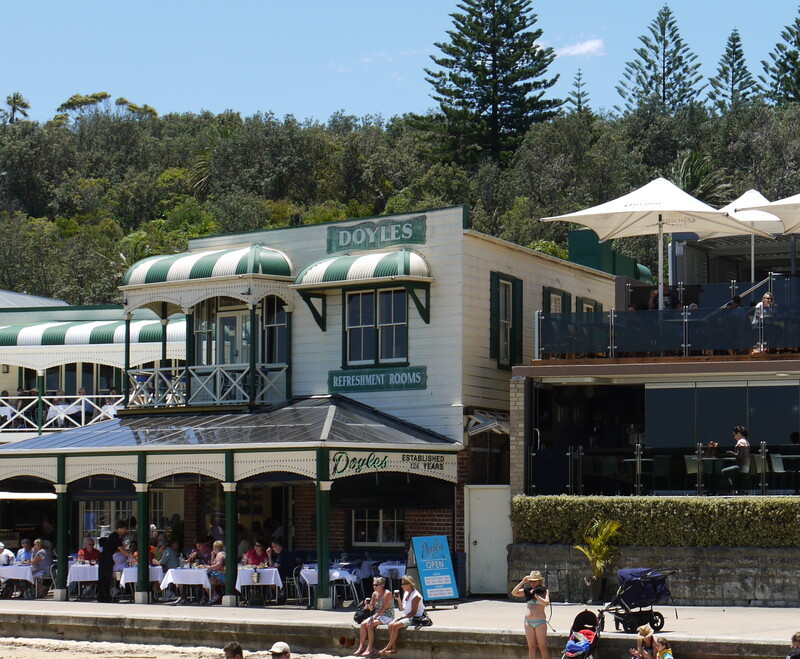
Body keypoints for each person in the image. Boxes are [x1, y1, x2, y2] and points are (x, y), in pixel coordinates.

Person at [378, 575, 425, 656]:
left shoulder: (416, 596)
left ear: (409, 585)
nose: (401, 586)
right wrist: (398, 599)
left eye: (403, 584)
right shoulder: (406, 593)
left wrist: (401, 618)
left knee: (396, 625)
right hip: (406, 616)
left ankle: (388, 646)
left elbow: (413, 612)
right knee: (390, 625)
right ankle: (393, 648)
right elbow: (402, 608)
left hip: (415, 618)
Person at [511, 570, 550, 659]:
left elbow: (546, 603)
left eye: (535, 581)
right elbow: (514, 593)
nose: (533, 584)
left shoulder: (544, 591)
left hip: (540, 622)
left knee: (542, 646)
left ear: (539, 581)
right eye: (531, 581)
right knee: (531, 647)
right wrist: (522, 582)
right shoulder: (527, 591)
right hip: (528, 622)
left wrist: (536, 596)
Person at [353, 576, 393, 657]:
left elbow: (384, 608)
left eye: (376, 585)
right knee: (363, 624)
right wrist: (367, 605)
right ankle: (362, 646)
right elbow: (372, 609)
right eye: (373, 585)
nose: (374, 587)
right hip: (377, 615)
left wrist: (374, 617)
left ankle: (370, 648)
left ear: (382, 585)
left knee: (369, 624)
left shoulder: (387, 593)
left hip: (387, 615)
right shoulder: (374, 594)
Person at [98, 520, 130, 603]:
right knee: (106, 577)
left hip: (108, 557)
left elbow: (116, 550)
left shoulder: (115, 537)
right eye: (124, 529)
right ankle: (105, 597)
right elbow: (121, 549)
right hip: (105, 558)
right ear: (120, 528)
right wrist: (131, 556)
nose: (125, 531)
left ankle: (106, 596)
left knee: (107, 578)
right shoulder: (115, 536)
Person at [721, 425, 751, 493]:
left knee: (724, 471)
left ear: (739, 433)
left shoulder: (741, 442)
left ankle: (730, 489)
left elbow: (739, 455)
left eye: (735, 435)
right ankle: (734, 489)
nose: (734, 437)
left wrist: (730, 453)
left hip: (740, 466)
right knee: (731, 472)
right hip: (746, 466)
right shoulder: (746, 441)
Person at [267, 539, 297, 605]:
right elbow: (273, 565)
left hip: (287, 574)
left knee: (270, 580)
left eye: (273, 547)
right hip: (286, 573)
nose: (272, 549)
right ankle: (281, 594)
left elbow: (275, 566)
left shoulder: (283, 554)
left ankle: (282, 594)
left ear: (278, 546)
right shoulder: (282, 553)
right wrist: (269, 555)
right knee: (270, 578)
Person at [205, 539, 226, 604]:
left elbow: (218, 565)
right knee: (207, 577)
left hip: (221, 575)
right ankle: (213, 595)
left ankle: (214, 595)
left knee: (205, 580)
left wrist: (208, 567)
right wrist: (212, 556)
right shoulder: (218, 554)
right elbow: (213, 564)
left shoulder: (220, 554)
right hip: (218, 574)